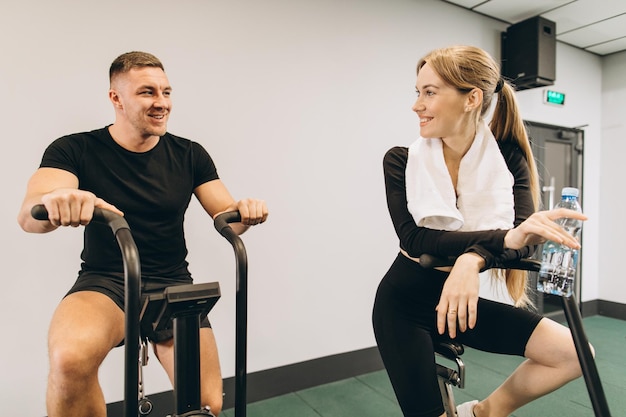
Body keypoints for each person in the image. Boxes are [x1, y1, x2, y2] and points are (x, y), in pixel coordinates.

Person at [17, 51, 268, 417]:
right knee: (69, 360)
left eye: (166, 92)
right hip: (107, 282)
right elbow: (30, 214)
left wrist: (246, 212)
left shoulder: (190, 154)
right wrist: (57, 201)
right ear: (115, 98)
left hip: (173, 285)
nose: (161, 103)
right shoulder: (74, 149)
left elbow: (227, 219)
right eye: (148, 92)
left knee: (205, 405)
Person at [372, 45, 588, 417]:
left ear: (471, 98)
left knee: (575, 353)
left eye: (429, 92)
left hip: (461, 301)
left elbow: (526, 243)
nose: (416, 105)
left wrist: (471, 261)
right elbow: (415, 239)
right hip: (403, 302)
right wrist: (500, 242)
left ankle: (483, 413)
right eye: (418, 92)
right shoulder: (401, 160)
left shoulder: (508, 159)